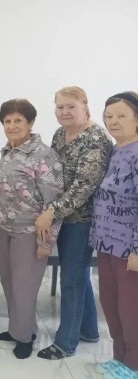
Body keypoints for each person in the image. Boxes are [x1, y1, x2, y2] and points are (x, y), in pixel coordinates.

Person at [36, 87, 111, 360]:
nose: (65, 112)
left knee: (71, 281)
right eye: (60, 107)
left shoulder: (96, 139)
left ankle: (65, 343)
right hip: (61, 219)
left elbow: (84, 186)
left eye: (71, 107)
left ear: (85, 107)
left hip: (82, 221)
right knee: (78, 276)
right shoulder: (60, 134)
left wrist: (52, 211)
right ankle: (89, 330)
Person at [0, 99, 64, 360]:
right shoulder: (7, 151)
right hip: (5, 227)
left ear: (30, 123)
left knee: (24, 287)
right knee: (9, 281)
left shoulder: (43, 154)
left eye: (18, 121)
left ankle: (24, 337)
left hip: (30, 231)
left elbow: (54, 201)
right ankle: (19, 328)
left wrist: (46, 242)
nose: (12, 126)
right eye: (7, 121)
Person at [90, 92, 138, 379]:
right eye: (109, 116)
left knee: (131, 309)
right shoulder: (116, 151)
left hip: (129, 249)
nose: (113, 121)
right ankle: (120, 358)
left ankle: (134, 365)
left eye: (121, 116)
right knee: (111, 304)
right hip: (106, 243)